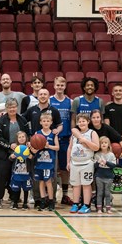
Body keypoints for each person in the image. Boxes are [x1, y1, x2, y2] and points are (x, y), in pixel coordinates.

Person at [0, 98, 28, 209]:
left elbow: (27, 134)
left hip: (19, 154)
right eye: (9, 107)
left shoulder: (22, 120)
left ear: (17, 107)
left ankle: (15, 199)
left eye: (14, 107)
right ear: (6, 108)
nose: (12, 109)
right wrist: (9, 145)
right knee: (1, 176)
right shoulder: (1, 120)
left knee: (16, 176)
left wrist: (23, 146)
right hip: (3, 153)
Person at [67, 113, 99, 214]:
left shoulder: (92, 133)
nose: (81, 123)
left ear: (88, 122)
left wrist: (85, 141)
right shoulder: (74, 134)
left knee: (86, 184)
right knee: (75, 185)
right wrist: (68, 162)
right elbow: (70, 148)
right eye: (79, 121)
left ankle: (86, 205)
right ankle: (75, 204)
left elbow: (96, 147)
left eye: (83, 121)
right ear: (77, 123)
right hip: (74, 163)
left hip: (87, 163)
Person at [50, 76, 74, 205]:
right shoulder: (49, 101)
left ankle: (65, 195)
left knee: (65, 169)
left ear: (65, 87)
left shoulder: (70, 102)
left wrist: (71, 135)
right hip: (52, 139)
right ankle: (51, 195)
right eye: (57, 85)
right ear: (54, 86)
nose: (59, 87)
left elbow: (72, 120)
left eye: (62, 85)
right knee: (52, 167)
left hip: (65, 138)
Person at [30, 113, 59, 211]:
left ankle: (51, 201)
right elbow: (34, 148)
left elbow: (57, 147)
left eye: (48, 121)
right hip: (39, 162)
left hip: (49, 163)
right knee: (41, 182)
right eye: (44, 121)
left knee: (48, 182)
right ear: (40, 122)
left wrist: (48, 146)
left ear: (51, 122)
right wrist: (34, 148)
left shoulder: (53, 134)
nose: (46, 123)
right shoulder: (37, 134)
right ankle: (43, 200)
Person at [8, 131, 33, 210]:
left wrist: (30, 156)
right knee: (16, 188)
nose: (21, 139)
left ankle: (25, 203)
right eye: (19, 137)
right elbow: (10, 158)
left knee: (26, 188)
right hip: (17, 172)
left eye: (23, 137)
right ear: (17, 139)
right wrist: (12, 156)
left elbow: (33, 158)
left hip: (26, 172)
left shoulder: (29, 147)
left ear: (26, 138)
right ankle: (15, 202)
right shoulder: (15, 148)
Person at [94, 136, 118, 213]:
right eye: (102, 143)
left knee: (107, 193)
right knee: (100, 192)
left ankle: (108, 208)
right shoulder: (97, 154)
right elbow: (94, 166)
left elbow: (114, 165)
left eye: (105, 142)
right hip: (99, 176)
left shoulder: (111, 155)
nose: (103, 144)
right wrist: (98, 162)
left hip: (109, 176)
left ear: (108, 144)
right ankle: (99, 208)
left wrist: (106, 162)